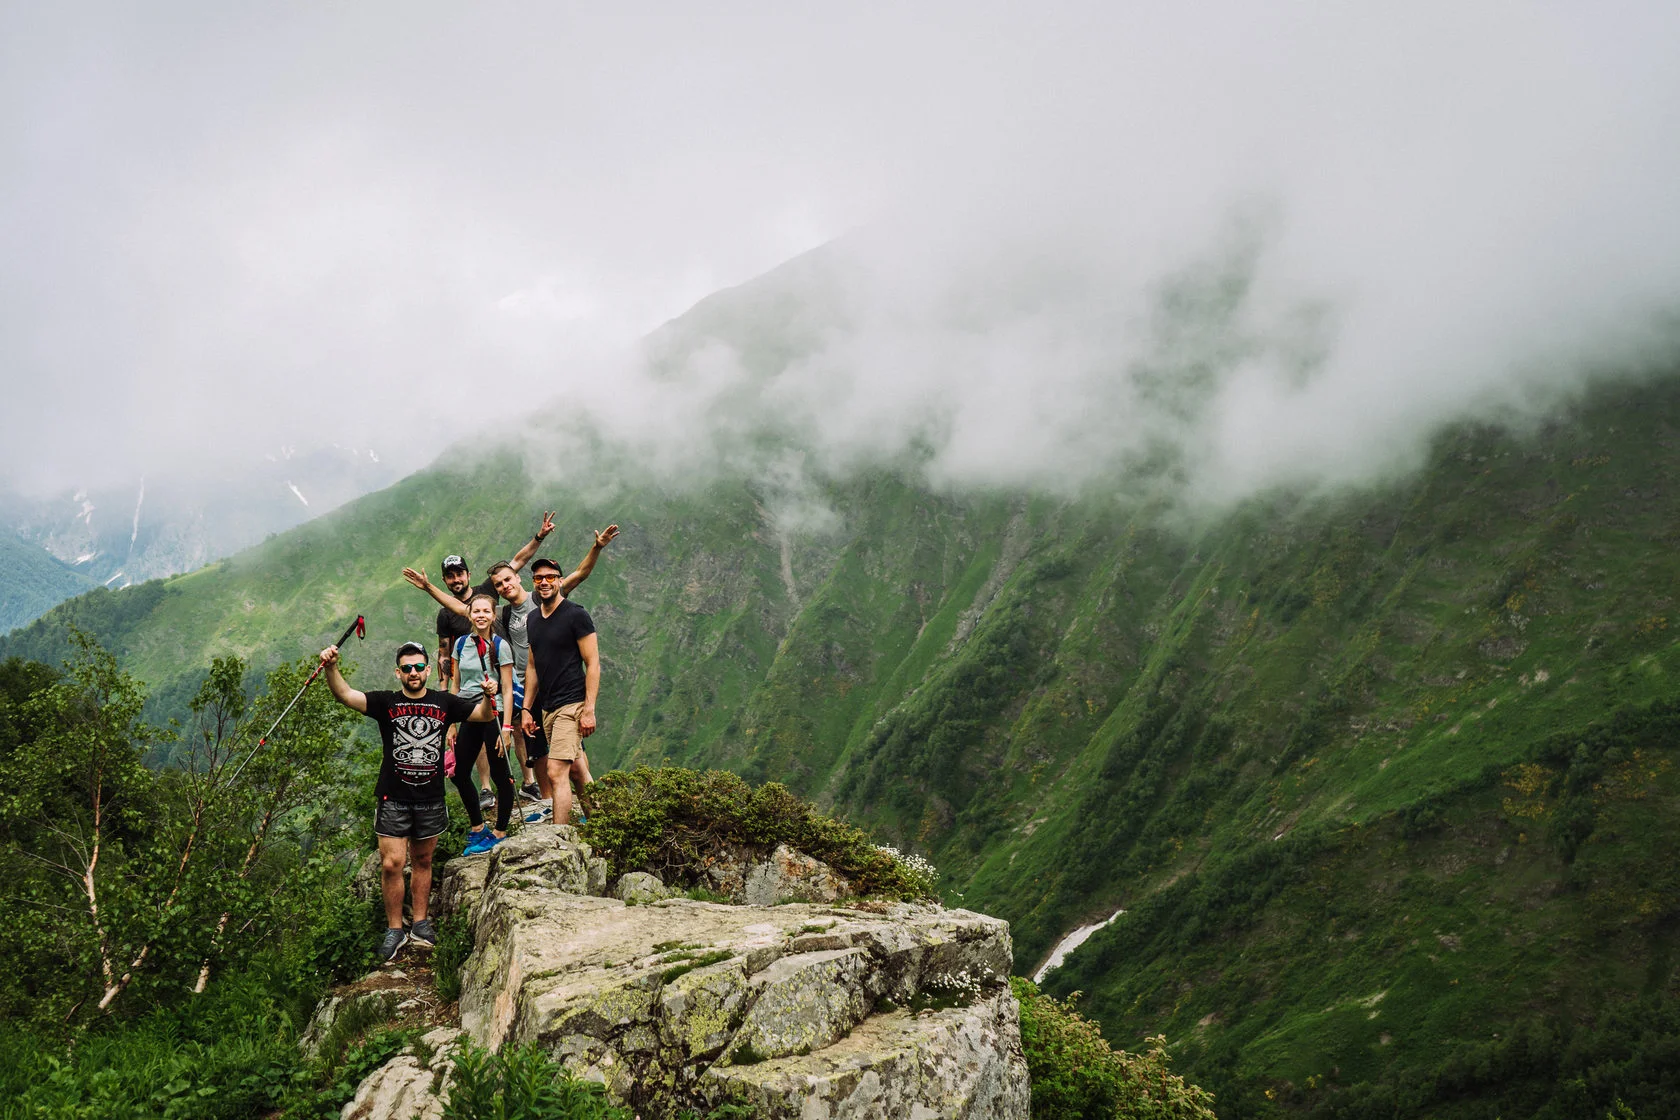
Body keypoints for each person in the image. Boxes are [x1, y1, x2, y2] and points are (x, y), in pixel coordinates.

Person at [406, 523, 618, 802]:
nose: (504, 586)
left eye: (508, 580)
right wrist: (428, 588)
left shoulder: (543, 599)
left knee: (576, 761)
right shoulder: (503, 614)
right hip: (527, 691)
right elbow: (461, 608)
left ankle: (591, 811)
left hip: (560, 688)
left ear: (518, 579)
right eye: (498, 585)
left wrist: (597, 547)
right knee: (538, 753)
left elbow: (580, 574)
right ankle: (548, 801)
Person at [321, 639, 500, 962]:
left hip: (430, 797)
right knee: (392, 864)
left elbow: (482, 715)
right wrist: (332, 668)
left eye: (419, 667)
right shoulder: (385, 703)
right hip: (393, 797)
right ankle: (394, 929)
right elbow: (345, 695)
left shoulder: (445, 702)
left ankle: (419, 923)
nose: (414, 672)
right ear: (398, 673)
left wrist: (490, 696)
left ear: (428, 670)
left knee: (423, 861)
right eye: (407, 668)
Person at [520, 555, 600, 828]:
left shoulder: (576, 615)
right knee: (577, 770)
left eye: (550, 577)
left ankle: (559, 838)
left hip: (572, 704)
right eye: (539, 578)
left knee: (555, 772)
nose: (544, 582)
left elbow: (593, 663)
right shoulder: (532, 619)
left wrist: (588, 709)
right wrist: (527, 708)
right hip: (547, 708)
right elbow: (532, 666)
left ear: (560, 580)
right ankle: (604, 825)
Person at [448, 592, 516, 855]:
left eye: (486, 611)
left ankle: (500, 832)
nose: (481, 616)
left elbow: (508, 689)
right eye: (476, 611)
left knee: (501, 775)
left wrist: (508, 727)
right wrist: (451, 722)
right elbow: (456, 684)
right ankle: (478, 827)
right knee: (459, 773)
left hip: (494, 713)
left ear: (493, 615)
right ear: (469, 614)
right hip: (467, 712)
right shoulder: (461, 644)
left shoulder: (501, 646)